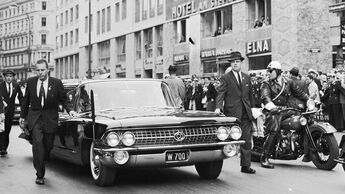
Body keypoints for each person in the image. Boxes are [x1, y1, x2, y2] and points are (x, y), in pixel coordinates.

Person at [19, 59, 74, 185]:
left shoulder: (56, 83)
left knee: (47, 146)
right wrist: (22, 116)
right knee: (37, 144)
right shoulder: (31, 82)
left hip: (50, 118)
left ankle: (44, 157)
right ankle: (39, 174)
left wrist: (70, 110)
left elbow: (64, 99)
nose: (40, 72)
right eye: (37, 70)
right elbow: (26, 100)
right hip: (35, 118)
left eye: (42, 70)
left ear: (47, 70)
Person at [260, 61, 309, 169]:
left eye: (270, 71)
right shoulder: (266, 83)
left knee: (303, 119)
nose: (268, 73)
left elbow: (299, 92)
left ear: (277, 71)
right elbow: (265, 97)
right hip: (272, 110)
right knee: (274, 129)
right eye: (268, 71)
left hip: (286, 109)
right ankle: (265, 157)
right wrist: (272, 107)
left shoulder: (288, 81)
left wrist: (310, 100)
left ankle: (301, 147)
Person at [215, 51, 256, 174]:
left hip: (246, 113)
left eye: (237, 61)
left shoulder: (246, 77)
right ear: (231, 64)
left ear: (241, 63)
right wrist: (218, 107)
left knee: (246, 140)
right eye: (233, 62)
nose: (235, 64)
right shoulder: (225, 78)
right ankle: (216, 161)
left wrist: (253, 109)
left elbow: (250, 96)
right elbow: (220, 94)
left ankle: (245, 166)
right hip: (232, 113)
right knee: (226, 138)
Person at [0, 70, 23, 156]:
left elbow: (21, 97)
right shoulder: (0, 85)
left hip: (10, 111)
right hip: (1, 110)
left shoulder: (16, 86)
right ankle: (2, 148)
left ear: (13, 77)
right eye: (7, 76)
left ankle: (4, 146)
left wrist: (24, 107)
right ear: (4, 77)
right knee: (2, 129)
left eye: (10, 76)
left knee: (8, 129)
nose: (9, 78)